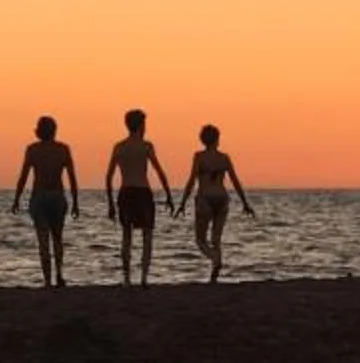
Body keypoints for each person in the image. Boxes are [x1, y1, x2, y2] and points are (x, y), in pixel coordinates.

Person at [104, 108, 177, 286]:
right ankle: (144, 278)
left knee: (126, 235)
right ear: (141, 125)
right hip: (142, 192)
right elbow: (159, 171)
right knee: (147, 235)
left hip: (126, 191)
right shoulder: (146, 146)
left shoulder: (120, 147)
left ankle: (127, 279)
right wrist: (168, 194)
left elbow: (108, 177)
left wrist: (111, 204)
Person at [177, 123, 254, 280]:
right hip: (222, 198)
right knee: (216, 238)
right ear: (217, 139)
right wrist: (245, 203)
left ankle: (214, 259)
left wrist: (182, 203)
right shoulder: (224, 158)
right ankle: (215, 270)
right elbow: (235, 181)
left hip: (205, 198)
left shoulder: (199, 157)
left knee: (200, 240)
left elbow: (191, 180)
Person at [12, 115, 80, 287]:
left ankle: (47, 280)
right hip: (57, 196)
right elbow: (72, 177)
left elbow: (24, 176)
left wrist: (16, 199)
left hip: (40, 196)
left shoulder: (33, 150)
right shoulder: (63, 149)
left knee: (43, 239)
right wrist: (76, 201)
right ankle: (59, 275)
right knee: (57, 238)